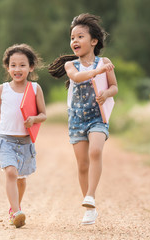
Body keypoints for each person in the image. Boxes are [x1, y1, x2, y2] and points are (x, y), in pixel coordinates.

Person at [48, 13, 118, 225]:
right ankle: (89, 208)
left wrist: (106, 94)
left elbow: (114, 86)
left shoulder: (105, 62)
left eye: (80, 36)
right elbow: (77, 78)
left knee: (95, 151)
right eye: (72, 38)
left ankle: (91, 195)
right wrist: (97, 72)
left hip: (97, 117)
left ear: (93, 41)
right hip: (77, 119)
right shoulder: (72, 66)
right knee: (82, 165)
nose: (74, 41)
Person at [0, 43, 46, 228]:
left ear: (31, 67)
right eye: (13, 65)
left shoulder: (35, 89)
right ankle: (16, 212)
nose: (17, 69)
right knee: (11, 173)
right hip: (5, 140)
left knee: (21, 180)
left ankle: (14, 207)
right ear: (7, 67)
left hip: (25, 142)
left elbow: (44, 114)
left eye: (22, 65)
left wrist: (34, 119)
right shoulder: (2, 89)